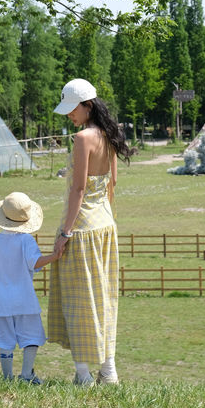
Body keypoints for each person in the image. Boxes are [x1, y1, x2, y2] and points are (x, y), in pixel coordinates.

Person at [48, 77, 134, 386]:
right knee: (104, 296)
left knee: (79, 299)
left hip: (82, 228)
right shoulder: (110, 136)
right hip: (105, 226)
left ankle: (83, 375)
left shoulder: (83, 138)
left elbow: (79, 189)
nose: (70, 115)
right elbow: (111, 184)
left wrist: (65, 233)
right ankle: (108, 370)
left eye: (73, 109)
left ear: (88, 106)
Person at [0, 190, 61, 384]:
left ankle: (7, 378)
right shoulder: (26, 240)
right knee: (31, 336)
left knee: (5, 340)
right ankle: (26, 375)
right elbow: (34, 262)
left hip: (0, 301)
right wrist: (54, 256)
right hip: (23, 299)